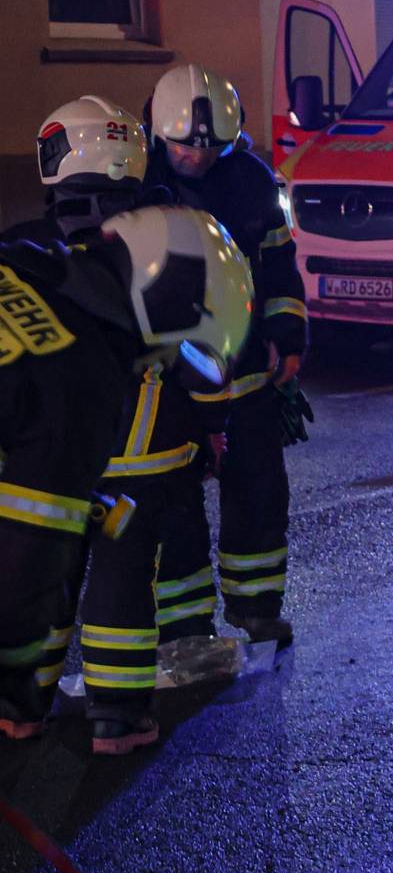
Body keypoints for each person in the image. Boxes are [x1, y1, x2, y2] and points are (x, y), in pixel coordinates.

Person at [0, 188, 253, 747]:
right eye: (163, 352)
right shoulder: (77, 375)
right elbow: (22, 559)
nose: (151, 365)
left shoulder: (23, 265)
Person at [144, 64, 309, 645]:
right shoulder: (137, 183)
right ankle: (184, 622)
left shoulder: (253, 182)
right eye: (185, 147)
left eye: (211, 148)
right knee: (171, 503)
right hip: (169, 383)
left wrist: (287, 338)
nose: (197, 158)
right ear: (158, 132)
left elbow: (281, 267)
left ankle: (256, 606)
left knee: (260, 493)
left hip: (245, 376)